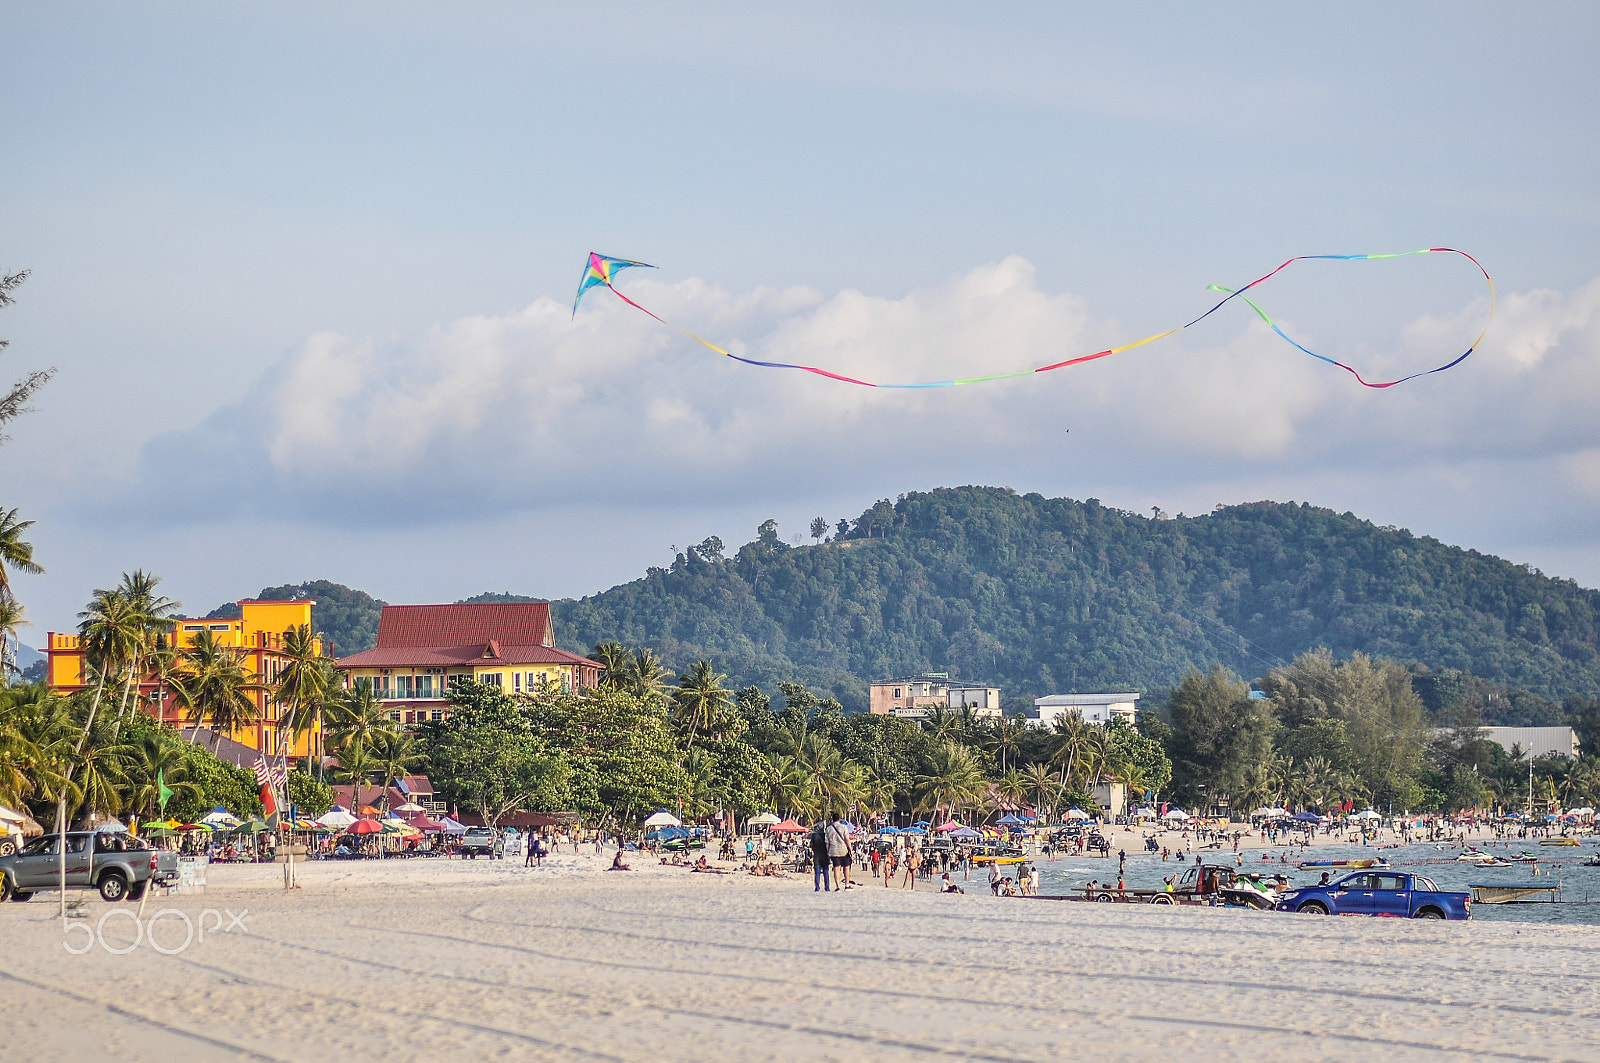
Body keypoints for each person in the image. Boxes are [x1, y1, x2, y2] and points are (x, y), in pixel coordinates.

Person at [826, 812, 853, 890]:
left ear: (832, 819)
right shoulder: (844, 827)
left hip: (833, 850)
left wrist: (828, 852)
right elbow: (847, 839)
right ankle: (847, 885)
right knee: (846, 867)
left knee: (836, 868)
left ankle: (838, 886)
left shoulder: (828, 829)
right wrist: (850, 849)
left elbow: (827, 842)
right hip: (843, 849)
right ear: (839, 819)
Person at [809, 820, 831, 892]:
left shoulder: (814, 836)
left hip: (817, 856)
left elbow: (811, 846)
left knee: (817, 872)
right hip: (825, 855)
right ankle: (827, 887)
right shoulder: (825, 835)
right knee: (826, 872)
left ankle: (817, 887)